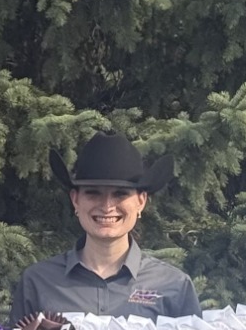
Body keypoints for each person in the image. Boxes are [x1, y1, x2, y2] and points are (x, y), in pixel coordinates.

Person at [12, 131, 196, 319]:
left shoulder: (174, 286)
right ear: (75, 200)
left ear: (141, 201)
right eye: (93, 193)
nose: (107, 206)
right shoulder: (38, 282)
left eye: (120, 194)